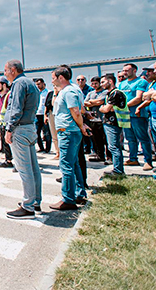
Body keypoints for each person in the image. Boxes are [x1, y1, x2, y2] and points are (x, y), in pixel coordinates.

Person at [3, 60, 41, 219]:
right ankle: (35, 200)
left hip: (19, 129)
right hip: (29, 127)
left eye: (6, 70)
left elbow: (16, 109)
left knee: (24, 169)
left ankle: (28, 206)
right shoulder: (30, 83)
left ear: (13, 70)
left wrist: (9, 129)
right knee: (33, 168)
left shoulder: (18, 84)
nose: (4, 74)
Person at [51, 66, 90, 211]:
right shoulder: (68, 90)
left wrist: (81, 126)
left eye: (53, 78)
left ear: (61, 78)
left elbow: (76, 111)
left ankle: (68, 199)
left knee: (66, 165)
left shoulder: (69, 91)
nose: (52, 81)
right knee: (74, 164)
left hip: (67, 131)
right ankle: (79, 193)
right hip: (69, 131)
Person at [118, 63, 153, 169]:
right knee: (130, 138)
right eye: (124, 70)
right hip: (125, 115)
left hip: (137, 115)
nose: (125, 72)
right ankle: (133, 159)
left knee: (143, 138)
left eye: (127, 70)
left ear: (134, 70)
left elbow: (139, 98)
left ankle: (148, 161)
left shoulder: (141, 82)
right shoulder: (122, 84)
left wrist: (124, 106)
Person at [99, 74, 130, 176]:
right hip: (109, 122)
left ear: (110, 81)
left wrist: (103, 108)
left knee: (114, 147)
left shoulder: (115, 93)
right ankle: (117, 168)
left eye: (103, 82)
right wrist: (105, 108)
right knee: (113, 146)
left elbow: (106, 109)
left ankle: (118, 170)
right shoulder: (109, 93)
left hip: (113, 123)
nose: (101, 84)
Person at [83, 77, 109, 163]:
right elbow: (85, 103)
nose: (94, 85)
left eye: (96, 83)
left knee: (106, 140)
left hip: (103, 119)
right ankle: (100, 156)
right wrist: (94, 102)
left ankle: (109, 157)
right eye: (93, 84)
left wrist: (91, 102)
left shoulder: (105, 92)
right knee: (96, 140)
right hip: (93, 120)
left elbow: (100, 102)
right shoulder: (90, 93)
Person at [0, 77, 13, 168]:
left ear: (4, 85)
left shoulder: (9, 95)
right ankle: (8, 160)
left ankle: (18, 163)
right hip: (2, 123)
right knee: (5, 144)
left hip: (9, 123)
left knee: (12, 144)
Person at [34, 78, 52, 153]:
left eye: (39, 84)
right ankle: (41, 147)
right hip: (37, 114)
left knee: (47, 132)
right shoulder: (36, 93)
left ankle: (47, 148)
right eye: (36, 84)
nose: (38, 86)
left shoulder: (48, 92)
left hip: (45, 115)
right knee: (36, 132)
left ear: (43, 83)